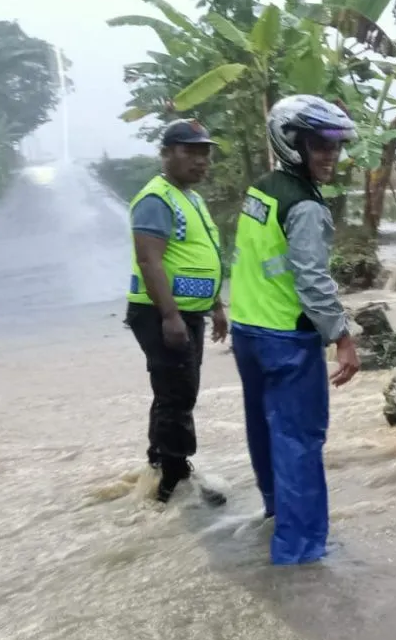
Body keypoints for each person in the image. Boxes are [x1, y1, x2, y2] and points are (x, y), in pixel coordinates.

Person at [228, 94, 361, 566]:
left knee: (265, 431)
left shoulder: (262, 189)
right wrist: (342, 337)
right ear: (292, 144)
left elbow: (258, 260)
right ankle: (300, 555)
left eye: (335, 146)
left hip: (248, 331)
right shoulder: (305, 205)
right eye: (320, 145)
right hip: (286, 337)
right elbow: (312, 280)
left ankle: (276, 515)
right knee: (300, 443)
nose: (331, 155)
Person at [125, 118, 229, 504]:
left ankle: (160, 468)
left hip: (187, 313)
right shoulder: (156, 199)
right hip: (161, 313)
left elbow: (199, 257)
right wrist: (170, 316)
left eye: (205, 153)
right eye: (191, 151)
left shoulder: (190, 198)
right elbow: (149, 260)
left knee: (175, 392)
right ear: (167, 153)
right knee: (178, 395)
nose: (201, 160)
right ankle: (174, 482)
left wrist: (216, 306)